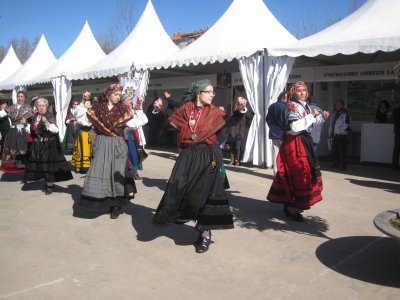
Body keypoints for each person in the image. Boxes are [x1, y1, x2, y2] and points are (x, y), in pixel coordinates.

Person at [153, 79, 234, 253]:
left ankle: (205, 234)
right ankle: (179, 215)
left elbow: (230, 124)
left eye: (213, 92)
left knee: (206, 194)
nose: (213, 94)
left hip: (209, 156)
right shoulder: (185, 109)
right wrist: (160, 112)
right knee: (179, 187)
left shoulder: (215, 112)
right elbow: (167, 125)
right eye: (209, 91)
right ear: (199, 93)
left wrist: (240, 111)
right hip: (188, 156)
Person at [267, 81, 329, 222]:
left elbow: (308, 124)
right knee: (298, 172)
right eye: (299, 90)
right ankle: (292, 206)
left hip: (302, 141)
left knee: (303, 172)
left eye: (304, 90)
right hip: (295, 143)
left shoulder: (304, 105)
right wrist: (312, 116)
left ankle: (294, 204)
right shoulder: (293, 106)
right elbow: (295, 126)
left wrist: (320, 118)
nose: (302, 93)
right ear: (293, 92)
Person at [75, 84, 137, 219]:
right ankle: (101, 201)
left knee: (117, 172)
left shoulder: (123, 109)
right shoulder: (98, 108)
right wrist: (84, 101)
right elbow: (82, 118)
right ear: (108, 95)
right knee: (100, 170)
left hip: (118, 143)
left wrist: (138, 110)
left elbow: (136, 122)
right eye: (116, 94)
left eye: (119, 95)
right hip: (102, 142)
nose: (118, 97)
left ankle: (116, 205)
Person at [23, 98, 73, 194]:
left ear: (46, 107)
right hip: (37, 145)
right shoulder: (35, 117)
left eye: (43, 106)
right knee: (39, 164)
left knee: (47, 165)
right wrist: (26, 125)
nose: (41, 108)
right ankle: (44, 180)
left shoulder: (50, 116)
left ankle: (49, 185)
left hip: (47, 145)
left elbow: (55, 130)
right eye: (39, 106)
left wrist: (47, 122)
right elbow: (31, 131)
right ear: (36, 107)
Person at [0, 91, 33, 172]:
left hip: (23, 130)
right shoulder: (12, 107)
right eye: (18, 96)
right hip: (13, 130)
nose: (20, 98)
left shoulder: (28, 107)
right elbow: (2, 114)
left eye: (22, 96)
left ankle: (26, 166)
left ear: (25, 98)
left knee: (24, 149)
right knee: (12, 149)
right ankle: (13, 165)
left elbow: (32, 119)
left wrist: (27, 123)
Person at [122, 94, 148, 180]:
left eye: (130, 100)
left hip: (133, 134)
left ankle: (134, 172)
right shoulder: (122, 111)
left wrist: (139, 108)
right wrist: (137, 111)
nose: (130, 102)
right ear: (123, 102)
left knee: (136, 153)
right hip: (126, 136)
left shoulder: (131, 110)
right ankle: (130, 172)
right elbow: (135, 124)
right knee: (130, 154)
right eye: (128, 100)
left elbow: (144, 121)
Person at [70, 91, 95, 174]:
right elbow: (77, 115)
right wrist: (85, 107)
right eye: (85, 95)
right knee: (83, 149)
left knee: (92, 148)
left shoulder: (93, 106)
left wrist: (90, 109)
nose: (86, 97)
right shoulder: (80, 107)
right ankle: (83, 167)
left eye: (88, 95)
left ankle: (91, 165)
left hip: (91, 130)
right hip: (83, 130)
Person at [266, 91, 289, 174]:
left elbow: (267, 119)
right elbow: (286, 121)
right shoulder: (285, 107)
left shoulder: (271, 106)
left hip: (274, 133)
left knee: (276, 153)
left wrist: (272, 127)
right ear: (284, 98)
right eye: (288, 98)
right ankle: (283, 172)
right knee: (285, 154)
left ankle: (276, 172)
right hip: (283, 134)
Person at [329, 99, 351, 170]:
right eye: (336, 104)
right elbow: (331, 124)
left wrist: (341, 131)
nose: (337, 105)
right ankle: (336, 163)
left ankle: (343, 165)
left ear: (342, 105)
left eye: (339, 104)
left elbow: (346, 124)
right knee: (335, 150)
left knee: (342, 151)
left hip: (342, 135)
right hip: (335, 134)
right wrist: (330, 132)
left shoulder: (345, 113)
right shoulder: (334, 113)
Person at [226, 96, 247, 166]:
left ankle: (237, 161)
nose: (235, 108)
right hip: (232, 133)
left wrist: (240, 133)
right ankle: (232, 160)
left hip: (238, 134)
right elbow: (229, 125)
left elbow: (242, 126)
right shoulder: (233, 116)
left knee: (237, 148)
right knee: (231, 147)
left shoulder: (242, 116)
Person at [392, 106, 400, 170]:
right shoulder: (396, 110)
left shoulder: (395, 110)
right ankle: (395, 165)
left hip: (397, 131)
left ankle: (395, 165)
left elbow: (394, 120)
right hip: (398, 131)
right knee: (397, 149)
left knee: (396, 149)